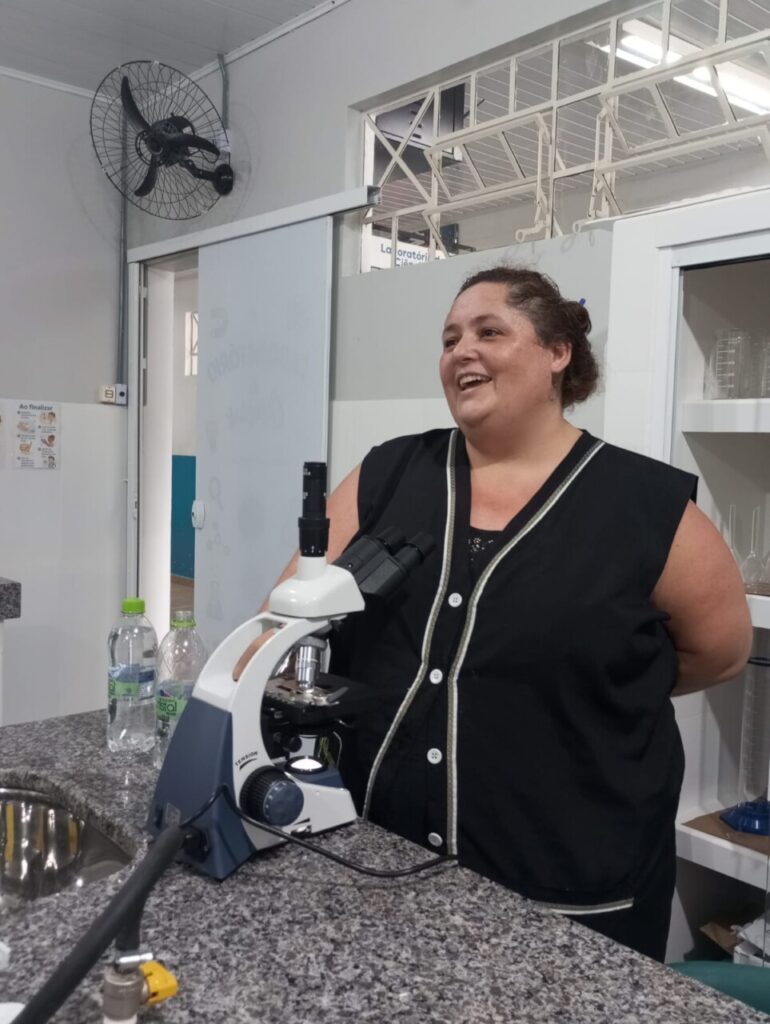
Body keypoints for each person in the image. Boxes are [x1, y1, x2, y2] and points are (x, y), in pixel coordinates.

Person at [236, 265, 752, 961]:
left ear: (556, 353)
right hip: (382, 858)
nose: (460, 352)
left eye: (488, 331)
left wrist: (586, 696)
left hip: (570, 890)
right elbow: (286, 617)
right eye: (449, 339)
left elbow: (718, 653)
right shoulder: (389, 474)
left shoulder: (646, 508)